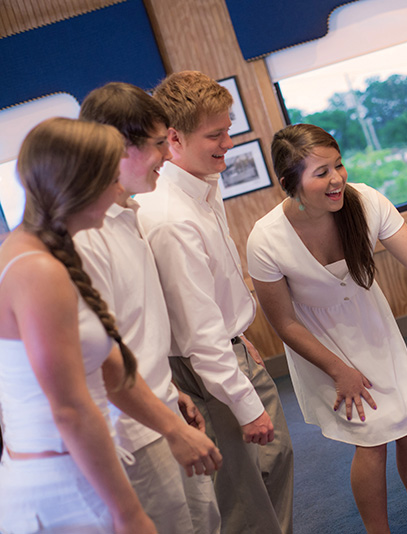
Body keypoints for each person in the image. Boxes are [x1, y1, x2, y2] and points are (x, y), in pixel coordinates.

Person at [246, 123, 407, 534]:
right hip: (320, 346)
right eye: (321, 172)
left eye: (338, 165)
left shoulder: (367, 201)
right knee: (371, 440)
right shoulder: (265, 239)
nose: (337, 178)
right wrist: (340, 371)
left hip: (373, 329)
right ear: (290, 183)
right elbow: (283, 323)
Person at [136, 70, 293, 534]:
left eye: (228, 129)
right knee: (245, 502)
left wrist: (240, 337)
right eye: (216, 135)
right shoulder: (169, 217)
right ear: (174, 138)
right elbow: (199, 334)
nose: (229, 142)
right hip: (207, 364)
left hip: (230, 349)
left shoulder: (204, 186)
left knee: (275, 461)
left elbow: (210, 295)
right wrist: (246, 403)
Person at [75, 81, 223, 534]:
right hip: (134, 432)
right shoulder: (86, 236)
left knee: (206, 524)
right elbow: (99, 359)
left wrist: (169, 391)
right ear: (119, 147)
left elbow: (129, 330)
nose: (167, 154)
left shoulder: (127, 214)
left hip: (161, 406)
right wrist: (168, 424)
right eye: (160, 144)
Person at [0, 117, 156, 533]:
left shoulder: (30, 252)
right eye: (110, 178)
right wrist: (130, 514)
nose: (118, 188)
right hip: (62, 490)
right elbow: (69, 410)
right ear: (80, 186)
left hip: (66, 474)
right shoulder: (37, 271)